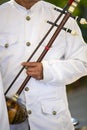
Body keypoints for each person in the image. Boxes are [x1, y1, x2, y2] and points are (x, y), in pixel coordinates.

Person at [0, 0, 87, 130]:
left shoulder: (64, 17)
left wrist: (47, 70)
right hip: (8, 120)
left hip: (53, 121)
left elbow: (83, 62)